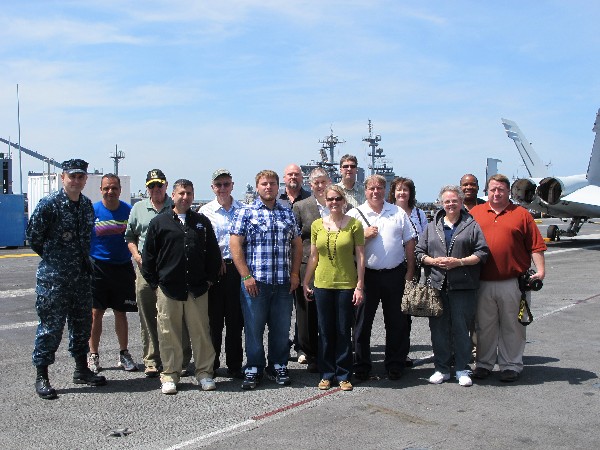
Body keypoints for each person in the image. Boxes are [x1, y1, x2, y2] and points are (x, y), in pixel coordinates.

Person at [27, 159, 106, 400]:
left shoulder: (85, 206)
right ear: (63, 178)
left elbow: (86, 240)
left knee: (82, 325)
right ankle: (42, 375)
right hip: (54, 279)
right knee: (51, 327)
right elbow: (34, 237)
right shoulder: (49, 204)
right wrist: (55, 261)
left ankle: (81, 370)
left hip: (81, 277)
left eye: (81, 177)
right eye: (72, 176)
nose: (77, 181)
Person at [142, 179, 222, 394]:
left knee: (201, 333)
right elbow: (148, 255)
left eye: (188, 193)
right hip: (169, 289)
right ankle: (170, 374)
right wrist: (154, 283)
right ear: (173, 195)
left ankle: (204, 373)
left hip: (197, 289)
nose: (185, 197)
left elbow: (213, 254)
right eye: (181, 193)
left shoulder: (201, 222)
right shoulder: (160, 222)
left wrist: (209, 280)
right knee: (169, 333)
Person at [230, 169, 303, 390]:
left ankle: (278, 364)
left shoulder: (287, 213)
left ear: (278, 186)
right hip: (256, 283)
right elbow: (235, 245)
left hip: (282, 282)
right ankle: (253, 366)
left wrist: (294, 274)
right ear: (258, 186)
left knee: (281, 328)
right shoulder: (246, 213)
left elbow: (297, 244)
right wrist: (246, 276)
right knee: (253, 327)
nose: (268, 187)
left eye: (272, 183)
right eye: (264, 184)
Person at [470, 174, 546, 382]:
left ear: (508, 192)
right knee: (484, 326)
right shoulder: (475, 213)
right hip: (482, 282)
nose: (497, 193)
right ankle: (484, 364)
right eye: (493, 189)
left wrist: (540, 271)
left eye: (501, 190)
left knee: (513, 325)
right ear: (488, 191)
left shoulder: (521, 215)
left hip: (512, 282)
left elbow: (536, 246)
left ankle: (511, 364)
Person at [415, 185, 489, 387]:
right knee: (438, 329)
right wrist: (433, 261)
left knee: (461, 328)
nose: (450, 204)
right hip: (437, 285)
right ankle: (441, 368)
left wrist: (460, 262)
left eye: (454, 201)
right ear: (441, 203)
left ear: (461, 202)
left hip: (463, 286)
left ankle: (462, 368)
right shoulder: (432, 226)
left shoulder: (471, 225)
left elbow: (482, 253)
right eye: (447, 201)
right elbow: (419, 253)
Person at [347, 174, 416, 380]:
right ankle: (361, 365)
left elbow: (410, 243)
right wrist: (363, 235)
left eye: (379, 188)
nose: (375, 192)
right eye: (371, 188)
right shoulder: (354, 214)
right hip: (366, 276)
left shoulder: (398, 212)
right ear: (365, 191)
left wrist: (410, 272)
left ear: (385, 191)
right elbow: (345, 245)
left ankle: (395, 364)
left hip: (395, 274)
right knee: (362, 323)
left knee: (396, 322)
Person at [125, 169, 192, 378]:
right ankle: (152, 360)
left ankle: (180, 359)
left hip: (170, 271)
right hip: (146, 270)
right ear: (147, 188)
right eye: (152, 186)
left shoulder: (174, 208)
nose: (156, 189)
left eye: (159, 185)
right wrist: (137, 256)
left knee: (177, 317)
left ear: (166, 187)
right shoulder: (138, 209)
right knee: (148, 316)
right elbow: (130, 237)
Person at [303, 185, 365, 391]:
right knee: (325, 331)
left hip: (346, 284)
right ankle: (327, 373)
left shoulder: (354, 225)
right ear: (325, 201)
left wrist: (360, 285)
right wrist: (306, 281)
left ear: (343, 200)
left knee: (342, 330)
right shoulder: (317, 225)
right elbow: (313, 256)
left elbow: (361, 257)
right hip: (322, 284)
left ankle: (344, 374)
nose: (334, 202)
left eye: (338, 198)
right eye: (330, 199)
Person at [88, 174, 138, 374]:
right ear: (101, 190)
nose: (110, 192)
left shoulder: (128, 210)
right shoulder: (93, 211)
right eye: (106, 188)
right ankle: (93, 355)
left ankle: (124, 353)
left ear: (120, 190)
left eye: (114, 188)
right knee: (95, 313)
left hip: (123, 267)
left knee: (121, 312)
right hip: (98, 268)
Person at [199, 169, 244, 378]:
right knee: (213, 322)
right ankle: (213, 364)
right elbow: (201, 242)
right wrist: (214, 261)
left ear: (232, 185)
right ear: (212, 188)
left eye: (226, 184)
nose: (223, 189)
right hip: (215, 270)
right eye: (219, 185)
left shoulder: (244, 209)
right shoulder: (204, 212)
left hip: (237, 269)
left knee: (235, 321)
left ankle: (235, 365)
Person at [292, 167, 331, 372]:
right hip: (308, 264)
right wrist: (295, 271)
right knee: (307, 313)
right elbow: (295, 241)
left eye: (323, 182)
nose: (320, 186)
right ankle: (311, 353)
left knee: (330, 312)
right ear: (310, 185)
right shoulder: (300, 207)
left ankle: (329, 352)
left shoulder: (338, 204)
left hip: (334, 266)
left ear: (329, 182)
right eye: (316, 183)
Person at [388, 176, 428, 367]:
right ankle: (391, 354)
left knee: (406, 312)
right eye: (398, 189)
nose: (402, 193)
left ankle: (402, 353)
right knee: (392, 314)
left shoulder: (419, 215)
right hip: (393, 267)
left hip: (413, 267)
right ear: (393, 193)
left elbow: (426, 239)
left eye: (406, 189)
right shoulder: (389, 212)